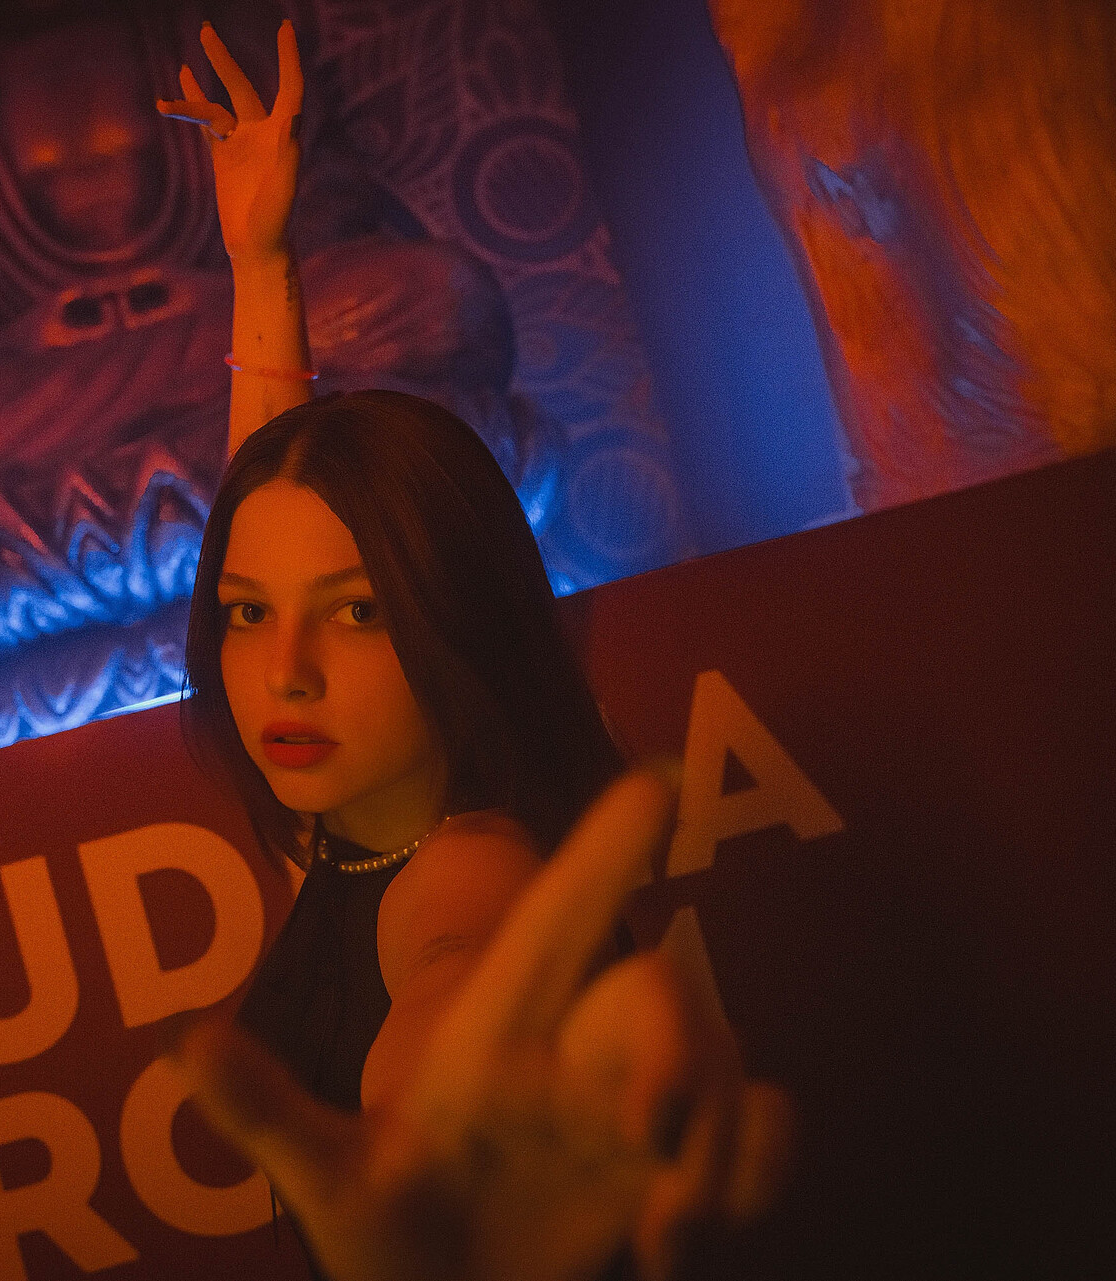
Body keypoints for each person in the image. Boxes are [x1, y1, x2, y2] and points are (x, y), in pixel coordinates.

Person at [158, 23, 791, 1281]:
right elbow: (276, 509)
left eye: (358, 614)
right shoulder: (347, 822)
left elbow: (454, 972)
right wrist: (260, 262)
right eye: (244, 613)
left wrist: (437, 1129)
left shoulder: (459, 867)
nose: (283, 670)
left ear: (453, 621)